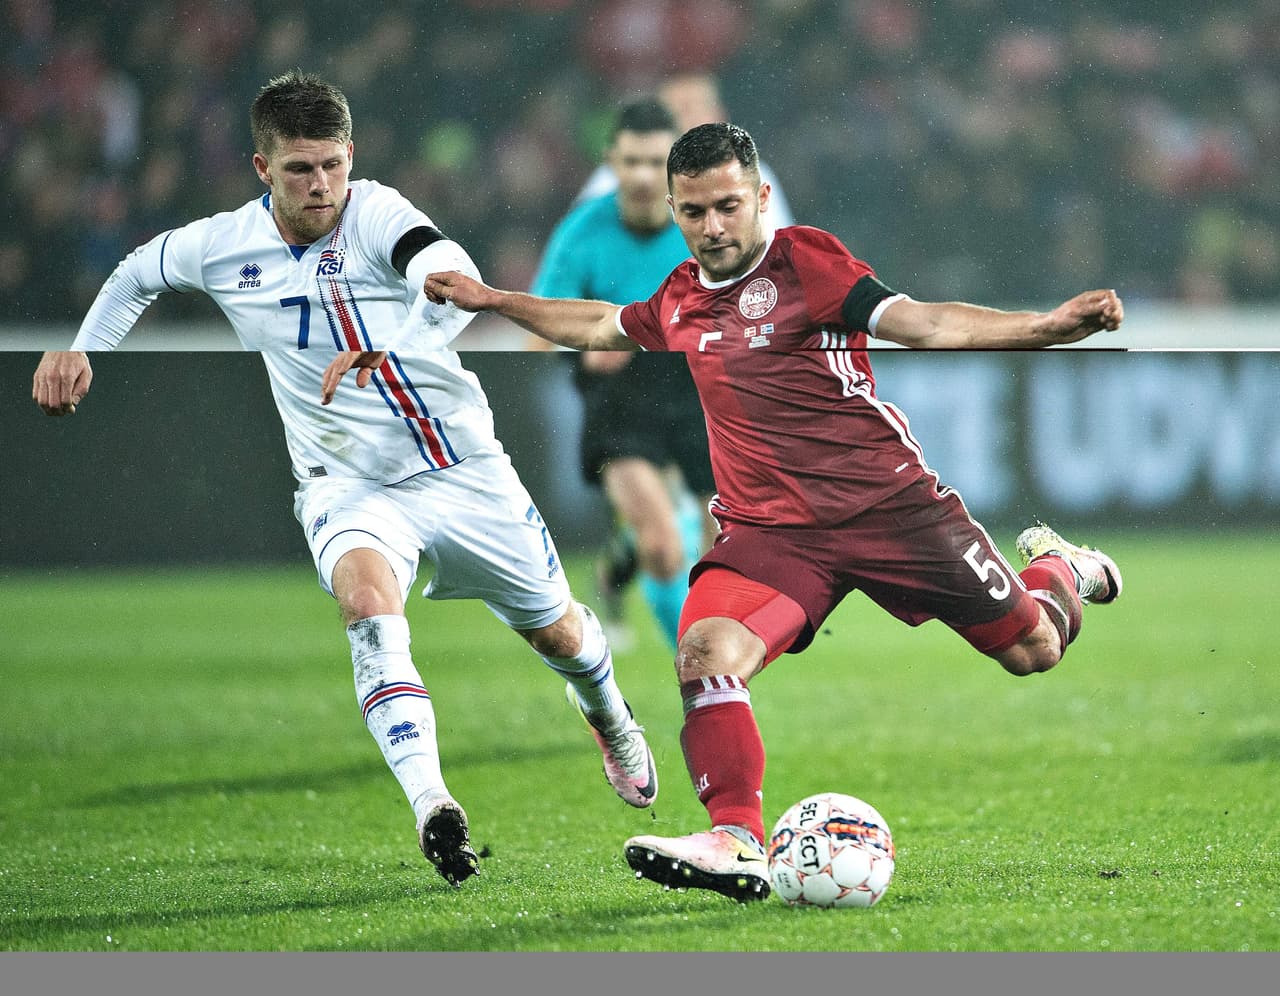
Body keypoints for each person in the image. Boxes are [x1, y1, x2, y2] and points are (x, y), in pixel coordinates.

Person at [328, 122, 1126, 903]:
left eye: (728, 206)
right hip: (772, 534)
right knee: (704, 650)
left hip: (892, 509)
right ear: (675, 209)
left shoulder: (806, 261)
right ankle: (735, 839)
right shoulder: (679, 298)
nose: (712, 228)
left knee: (1034, 650)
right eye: (694, 211)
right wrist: (491, 298)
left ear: (760, 197)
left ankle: (1065, 567)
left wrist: (1045, 328)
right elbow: (598, 323)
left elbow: (921, 322)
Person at [30, 70, 658, 890]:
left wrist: (390, 342)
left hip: (460, 467)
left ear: (350, 156)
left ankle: (607, 714)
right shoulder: (222, 245)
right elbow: (139, 271)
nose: (320, 184)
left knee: (560, 636)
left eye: (331, 164)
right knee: (365, 604)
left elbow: (446, 277)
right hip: (344, 483)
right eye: (299, 169)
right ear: (262, 168)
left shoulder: (378, 213)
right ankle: (435, 805)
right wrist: (83, 347)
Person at [530, 97, 715, 651]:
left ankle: (619, 564)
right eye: (630, 161)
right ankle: (700, 671)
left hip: (699, 393)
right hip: (620, 401)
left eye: (655, 162)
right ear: (610, 160)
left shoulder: (709, 225)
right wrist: (584, 349)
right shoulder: (581, 232)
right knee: (664, 549)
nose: (640, 176)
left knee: (727, 546)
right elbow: (543, 324)